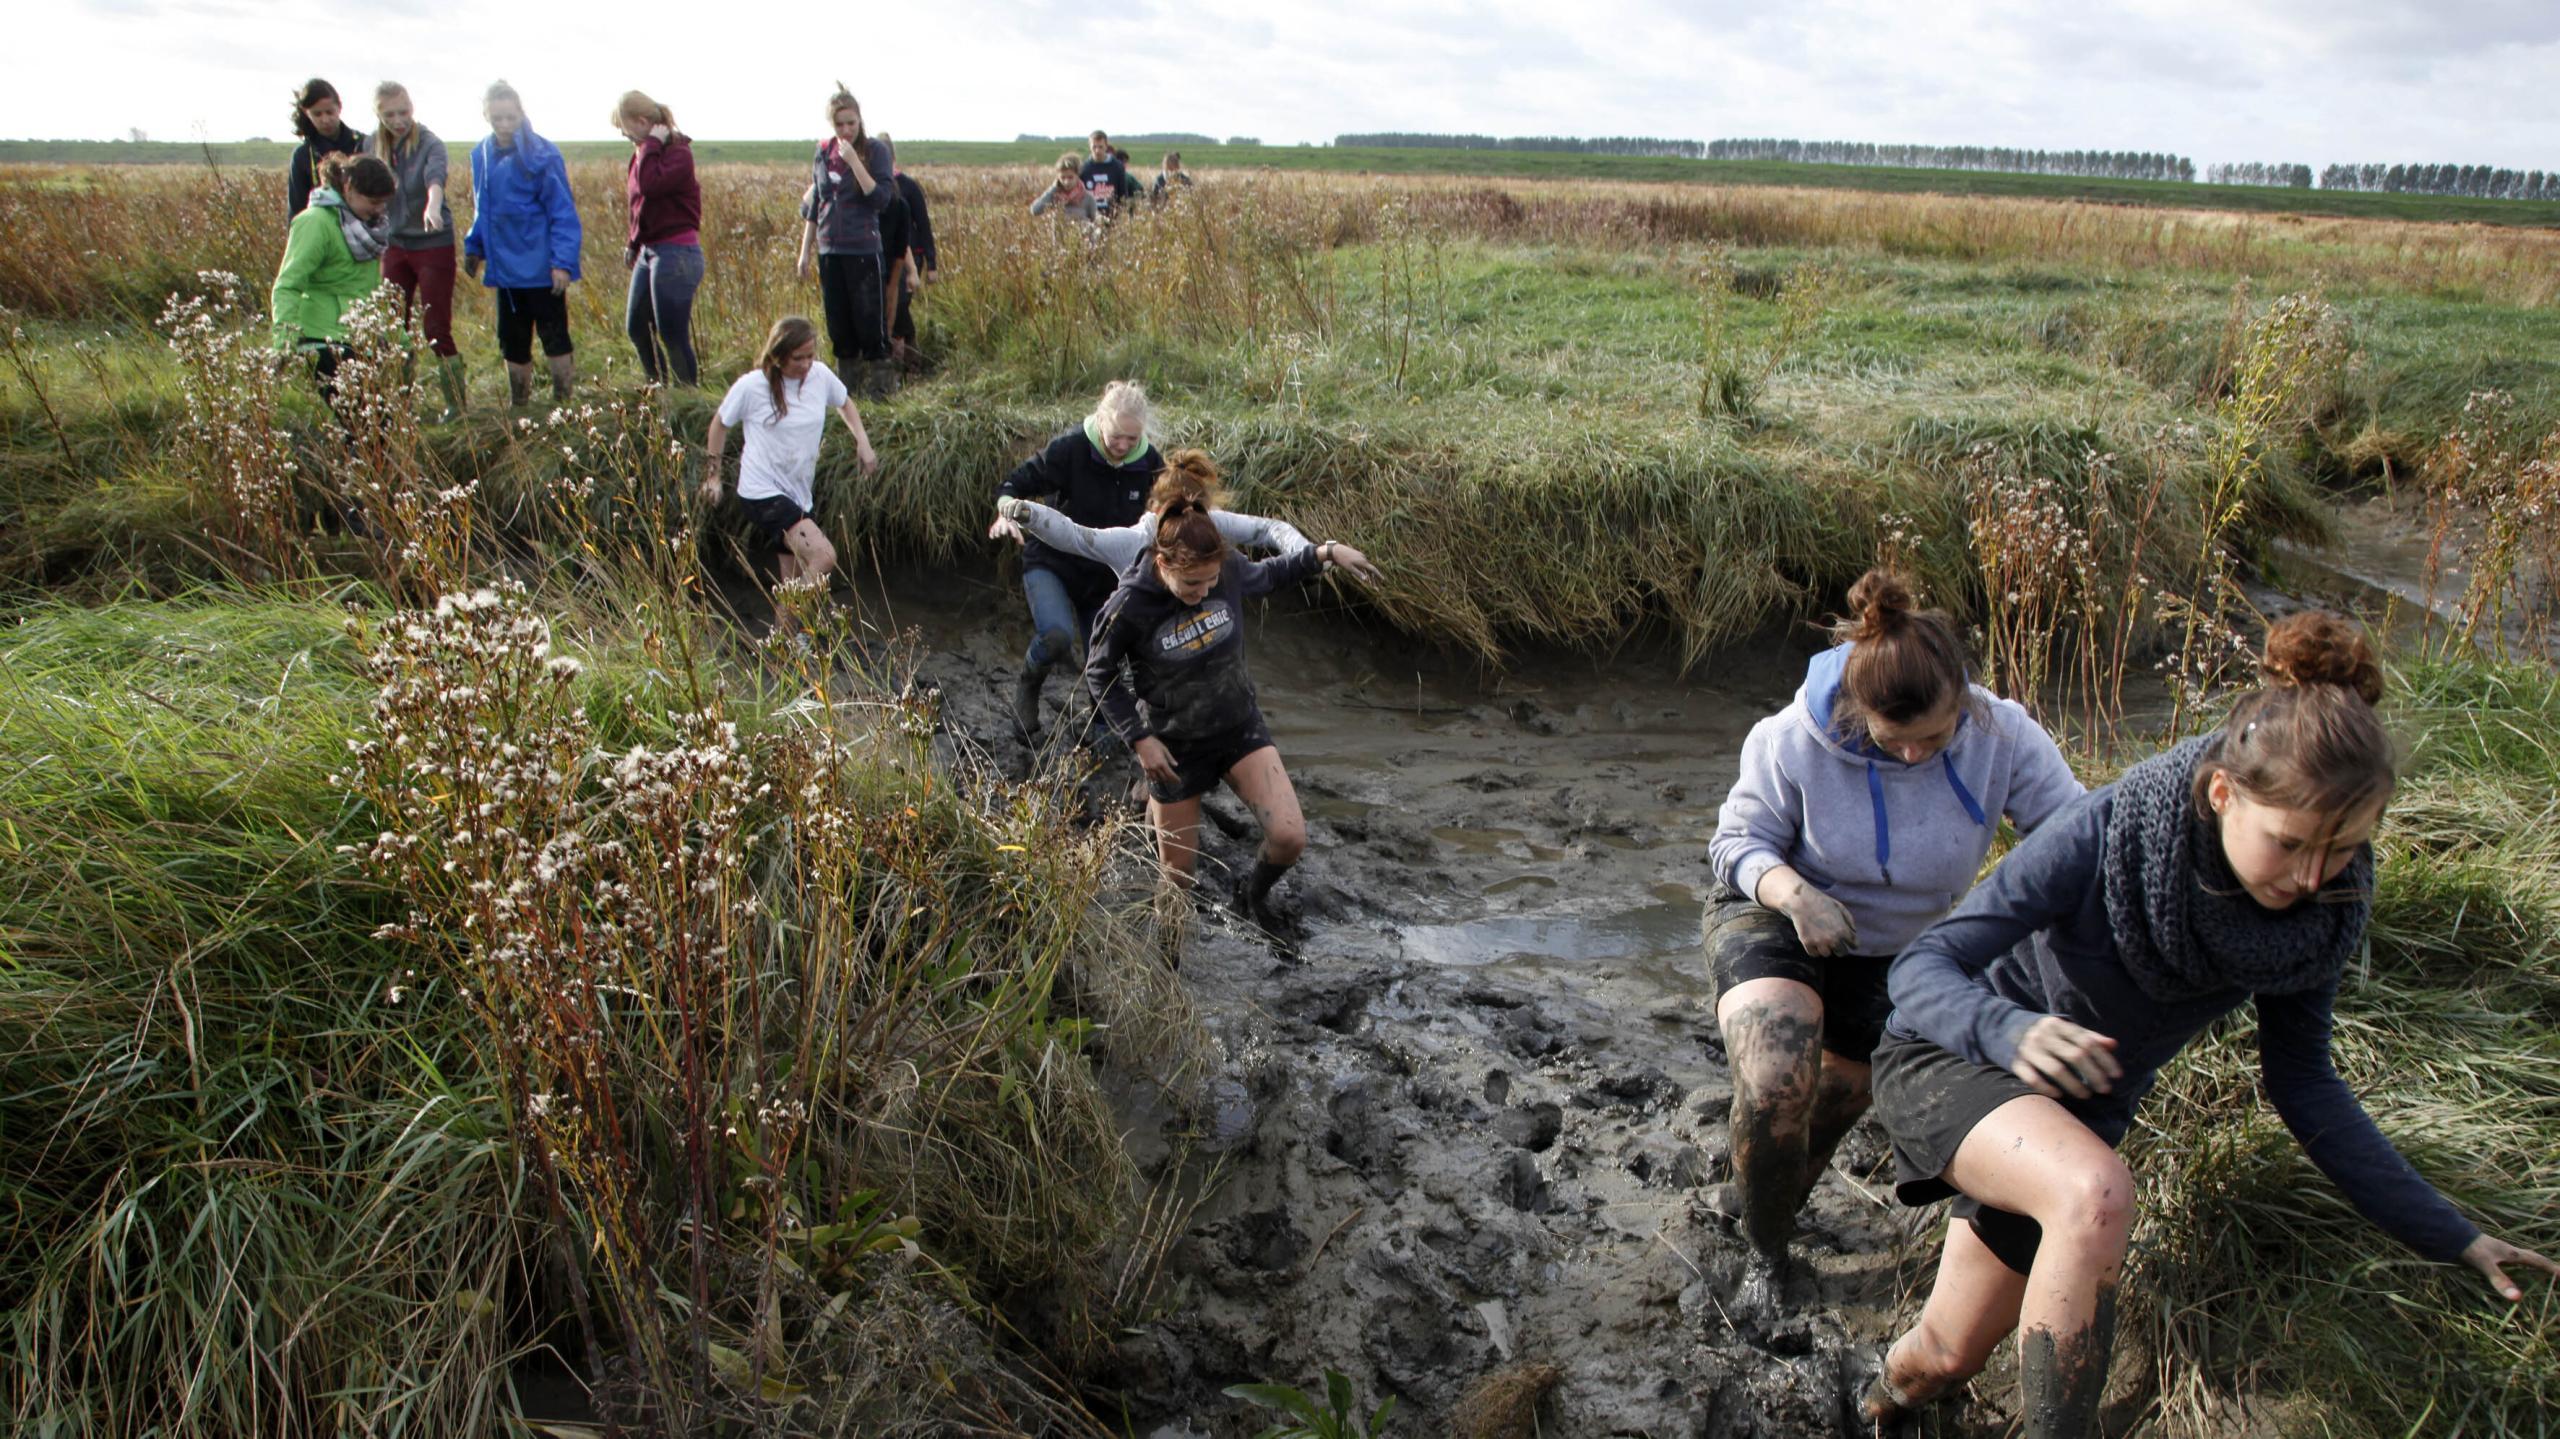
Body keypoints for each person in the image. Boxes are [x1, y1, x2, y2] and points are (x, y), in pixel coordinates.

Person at [1859, 611, 2556, 1436]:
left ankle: (1867, 1403)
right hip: (1952, 1055)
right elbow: (1921, 969)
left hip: (2076, 1114)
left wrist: (2454, 1234)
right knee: (2096, 1195)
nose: (2310, 875)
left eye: (2341, 850)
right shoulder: (2111, 830)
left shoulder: (2324, 910)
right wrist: (2011, 1030)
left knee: (1943, 1353)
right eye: (2291, 843)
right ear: (2224, 791)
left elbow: (2304, 1084)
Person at [1702, 570, 2083, 1312]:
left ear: (1962, 702)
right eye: (1894, 740)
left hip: (1906, 949)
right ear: (1857, 710)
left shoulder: (2002, 733)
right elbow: (1735, 844)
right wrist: (1799, 896)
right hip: (1776, 911)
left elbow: (2074, 836)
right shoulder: (1790, 739)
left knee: (1828, 1105)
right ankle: (1766, 1256)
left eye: (1935, 738)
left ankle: (1759, 1197)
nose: (1916, 756)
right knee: (1779, 1072)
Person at [1082, 466, 1371, 930]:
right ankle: (1168, 969)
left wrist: (1327, 552)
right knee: (1176, 883)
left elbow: (1272, 573)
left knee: (1289, 837)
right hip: (1174, 748)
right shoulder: (1131, 604)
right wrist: (1139, 740)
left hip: (1239, 728)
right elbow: (1099, 673)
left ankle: (1250, 896)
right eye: (1191, 585)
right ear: (1162, 565)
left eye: (1211, 583)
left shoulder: (1229, 569)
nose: (1203, 593)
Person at [992, 381, 1164, 745]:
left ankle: (1101, 725)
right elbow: (1014, 484)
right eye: (1116, 436)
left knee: (1104, 657)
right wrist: (1005, 511)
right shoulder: (1071, 449)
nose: (1122, 446)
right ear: (1101, 421)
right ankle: (1028, 687)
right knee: (1056, 635)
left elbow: (1170, 508)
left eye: (1132, 440)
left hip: (1102, 578)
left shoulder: (1149, 465)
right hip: (1052, 562)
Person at [699, 316, 878, 597]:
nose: (806, 364)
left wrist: (863, 443)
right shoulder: (752, 386)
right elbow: (719, 424)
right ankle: (790, 621)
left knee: (792, 580)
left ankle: (787, 638)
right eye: (798, 358)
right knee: (823, 557)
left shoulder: (819, 376)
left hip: (798, 494)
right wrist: (713, 476)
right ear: (778, 355)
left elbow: (845, 403)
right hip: (761, 492)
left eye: (811, 356)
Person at [991, 459, 1381, 583]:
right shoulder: (1132, 543)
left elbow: (1268, 530)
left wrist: (1312, 554)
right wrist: (1029, 512)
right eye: (1180, 514)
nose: (1192, 524)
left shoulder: (1207, 523)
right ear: (1157, 510)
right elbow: (1078, 537)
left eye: (1200, 514)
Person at [461, 81, 581, 406]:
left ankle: (564, 402)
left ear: (521, 113)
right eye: (496, 118)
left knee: (554, 335)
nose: (503, 125)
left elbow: (563, 211)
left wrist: (563, 263)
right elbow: (482, 207)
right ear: (485, 114)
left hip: (542, 268)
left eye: (510, 117)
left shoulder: (543, 154)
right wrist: (474, 246)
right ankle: (520, 405)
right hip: (506, 271)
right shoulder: (481, 154)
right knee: (512, 340)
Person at [796, 84, 898, 398]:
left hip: (863, 248)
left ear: (859, 120)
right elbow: (816, 203)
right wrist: (805, 252)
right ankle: (846, 389)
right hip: (830, 248)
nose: (846, 130)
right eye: (840, 124)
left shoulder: (874, 152)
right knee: (838, 320)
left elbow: (881, 199)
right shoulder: (823, 153)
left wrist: (854, 161)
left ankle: (881, 387)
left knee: (869, 318)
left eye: (851, 123)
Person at [371, 82, 463, 418]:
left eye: (404, 112)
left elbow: (435, 178)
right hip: (393, 245)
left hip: (432, 242)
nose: (398, 121)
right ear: (378, 115)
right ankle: (401, 403)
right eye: (390, 114)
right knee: (393, 326)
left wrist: (432, 207)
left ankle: (456, 407)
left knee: (435, 328)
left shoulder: (429, 143)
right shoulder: (370, 145)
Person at [269, 153, 396, 387]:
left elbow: (371, 289)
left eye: (383, 202)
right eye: (373, 202)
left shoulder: (369, 228)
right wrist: (284, 346)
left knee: (383, 420)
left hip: (362, 335)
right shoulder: (315, 222)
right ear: (348, 188)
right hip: (321, 338)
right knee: (373, 421)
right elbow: (288, 285)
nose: (380, 210)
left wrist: (400, 339)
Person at [615, 89, 703, 387]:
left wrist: (650, 144)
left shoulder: (678, 153)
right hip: (649, 251)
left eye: (630, 135)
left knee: (671, 334)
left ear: (642, 121)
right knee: (637, 327)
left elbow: (651, 186)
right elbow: (639, 203)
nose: (632, 143)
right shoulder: (644, 154)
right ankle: (659, 390)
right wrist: (633, 242)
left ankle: (686, 399)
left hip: (677, 253)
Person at [872, 135, 936, 369]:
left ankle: (909, 354)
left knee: (899, 305)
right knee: (883, 307)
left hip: (909, 255)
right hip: (880, 256)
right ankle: (895, 355)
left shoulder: (907, 187)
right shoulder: (870, 189)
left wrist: (931, 263)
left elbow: (923, 224)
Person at [286, 78, 367, 221]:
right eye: (317, 114)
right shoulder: (303, 155)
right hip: (323, 230)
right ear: (306, 113)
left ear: (339, 107)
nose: (325, 119)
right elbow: (297, 210)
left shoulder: (363, 143)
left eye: (330, 112)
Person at [1029, 155, 1098, 222]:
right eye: (1063, 178)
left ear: (1077, 175)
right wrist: (1053, 189)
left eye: (1070, 177)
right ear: (1058, 178)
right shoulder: (1053, 196)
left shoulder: (1088, 198)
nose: (1066, 182)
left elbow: (1095, 222)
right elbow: (1035, 211)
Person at [1079, 131, 1132, 215]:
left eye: (1100, 147)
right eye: (1094, 147)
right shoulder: (1083, 169)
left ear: (1106, 146)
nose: (1097, 151)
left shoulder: (1117, 167)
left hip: (1113, 215)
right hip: (1090, 216)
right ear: (1090, 147)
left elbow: (1123, 194)